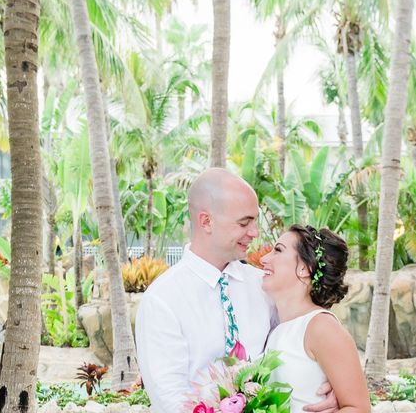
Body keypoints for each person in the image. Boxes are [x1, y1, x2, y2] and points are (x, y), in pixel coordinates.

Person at [135, 168, 338, 413]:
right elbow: (170, 399)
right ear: (206, 221)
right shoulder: (162, 299)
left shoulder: (263, 285)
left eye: (255, 221)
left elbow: (302, 337)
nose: (254, 232)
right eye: (245, 222)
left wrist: (330, 382)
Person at [261, 225, 371, 413]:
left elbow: (358, 408)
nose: (263, 259)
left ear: (305, 268)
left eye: (278, 250)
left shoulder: (321, 326)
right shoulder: (278, 328)